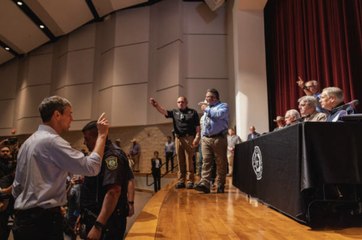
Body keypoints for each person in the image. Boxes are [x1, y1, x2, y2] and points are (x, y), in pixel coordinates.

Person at [11, 96, 109, 240]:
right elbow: (92, 167)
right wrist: (102, 135)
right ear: (57, 115)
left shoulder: (27, 142)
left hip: (22, 219)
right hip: (42, 223)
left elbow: (17, 187)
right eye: (70, 114)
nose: (72, 119)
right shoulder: (52, 141)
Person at [79, 120, 134, 240]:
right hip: (95, 217)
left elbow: (113, 192)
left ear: (98, 138)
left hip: (107, 223)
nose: (84, 142)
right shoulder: (99, 155)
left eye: (87, 139)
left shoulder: (111, 156)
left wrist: (98, 226)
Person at [150, 96, 200, 189]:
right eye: (178, 102)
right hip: (178, 138)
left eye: (182, 102)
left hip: (189, 137)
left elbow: (197, 126)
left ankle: (190, 181)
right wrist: (156, 106)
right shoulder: (174, 112)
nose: (180, 103)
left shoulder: (193, 112)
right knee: (180, 160)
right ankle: (181, 180)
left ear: (186, 102)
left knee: (189, 159)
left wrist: (197, 137)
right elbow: (164, 111)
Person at [195, 88, 229, 194]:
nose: (205, 98)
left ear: (214, 97)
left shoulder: (223, 106)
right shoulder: (207, 109)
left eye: (207, 97)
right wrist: (201, 137)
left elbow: (218, 115)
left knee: (220, 163)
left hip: (219, 138)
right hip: (206, 139)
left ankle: (220, 184)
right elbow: (204, 124)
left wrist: (206, 109)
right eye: (206, 97)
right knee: (206, 162)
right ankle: (205, 184)